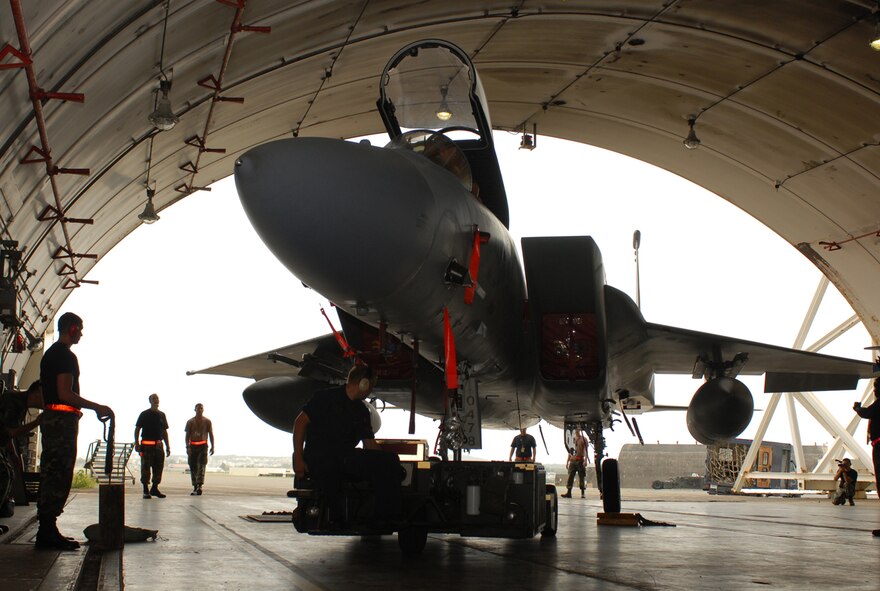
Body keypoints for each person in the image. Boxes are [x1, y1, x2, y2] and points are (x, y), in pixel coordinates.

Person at [38, 312, 114, 550]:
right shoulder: (65, 356)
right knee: (59, 473)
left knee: (52, 472)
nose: (81, 333)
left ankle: (47, 528)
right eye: (79, 329)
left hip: (54, 421)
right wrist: (97, 407)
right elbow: (65, 393)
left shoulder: (51, 355)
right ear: (71, 329)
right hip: (61, 424)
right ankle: (47, 531)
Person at [293, 365, 401, 525]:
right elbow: (300, 423)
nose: (371, 390)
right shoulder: (325, 398)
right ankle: (359, 516)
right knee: (383, 462)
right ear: (364, 383)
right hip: (321, 458)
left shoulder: (361, 411)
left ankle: (380, 516)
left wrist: (387, 462)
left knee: (390, 461)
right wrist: (298, 457)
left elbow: (369, 445)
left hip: (344, 459)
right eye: (371, 385)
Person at [0, 381, 43, 518]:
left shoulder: (20, 403)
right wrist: (36, 423)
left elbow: (6, 432)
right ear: (37, 392)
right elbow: (11, 432)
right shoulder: (14, 402)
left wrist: (13, 454)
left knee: (8, 473)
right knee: (4, 475)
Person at [134, 393, 170, 499]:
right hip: (146, 446)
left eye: (157, 398)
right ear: (150, 401)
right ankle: (145, 490)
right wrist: (137, 443)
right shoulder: (144, 414)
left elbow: (164, 431)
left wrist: (168, 446)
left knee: (158, 467)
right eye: (153, 398)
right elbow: (137, 429)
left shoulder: (162, 415)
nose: (156, 400)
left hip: (159, 446)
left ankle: (155, 488)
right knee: (145, 468)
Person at [184, 403, 214, 496]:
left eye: (201, 408)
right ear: (195, 409)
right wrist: (187, 446)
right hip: (193, 446)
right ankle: (195, 486)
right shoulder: (190, 422)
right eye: (198, 408)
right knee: (193, 466)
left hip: (203, 446)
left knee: (201, 466)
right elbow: (187, 435)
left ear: (203, 410)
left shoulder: (207, 421)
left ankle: (199, 486)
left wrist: (213, 446)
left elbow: (211, 434)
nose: (200, 410)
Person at [562, 430, 588, 498]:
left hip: (580, 460)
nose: (576, 432)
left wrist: (585, 460)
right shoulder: (572, 439)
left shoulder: (583, 439)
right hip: (572, 461)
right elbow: (570, 451)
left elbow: (585, 450)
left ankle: (582, 492)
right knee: (570, 476)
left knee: (581, 476)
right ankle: (569, 492)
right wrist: (567, 461)